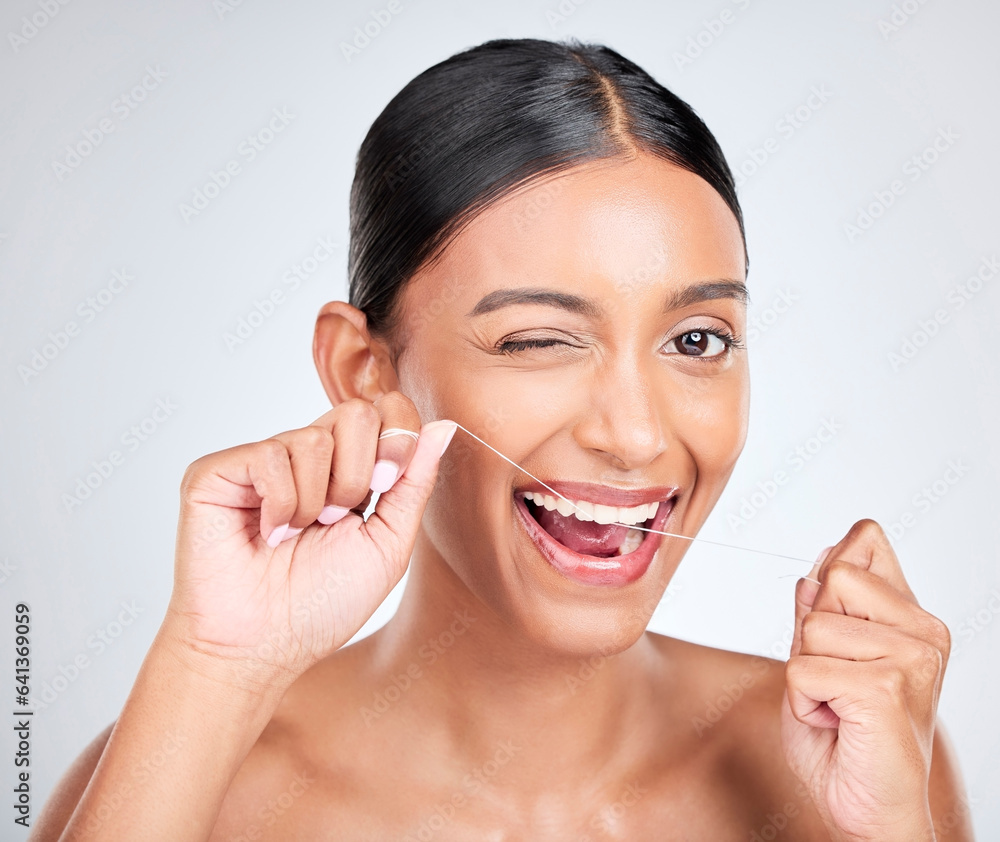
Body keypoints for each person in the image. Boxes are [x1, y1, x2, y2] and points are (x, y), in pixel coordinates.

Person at [32, 38, 972, 840]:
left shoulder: (866, 758)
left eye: (697, 340)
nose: (636, 434)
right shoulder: (190, 785)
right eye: (537, 341)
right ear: (366, 372)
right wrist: (212, 668)